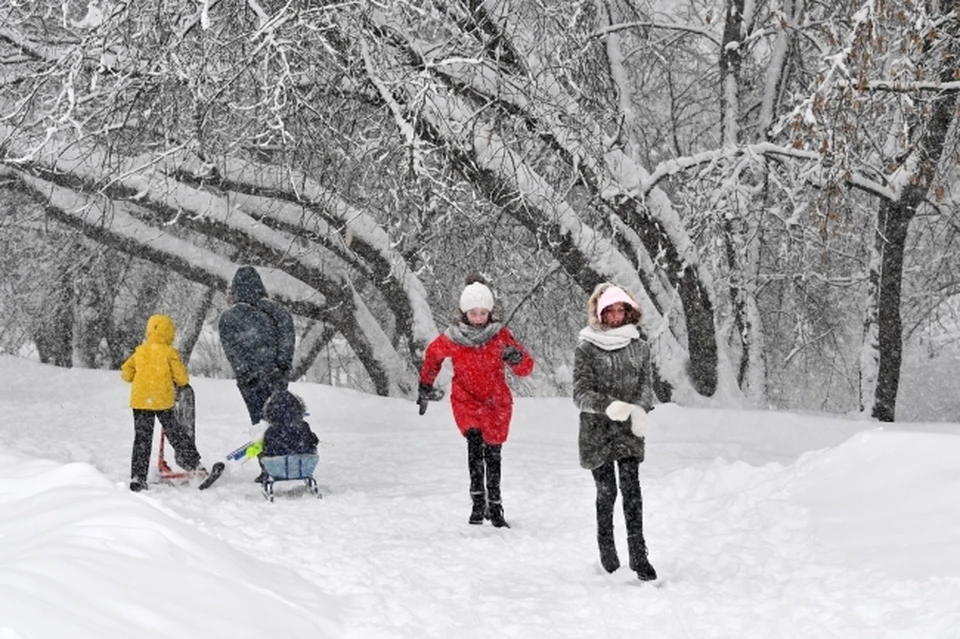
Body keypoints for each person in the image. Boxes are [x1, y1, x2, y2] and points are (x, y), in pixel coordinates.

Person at [418, 274, 534, 528]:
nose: (479, 318)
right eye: (473, 313)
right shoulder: (453, 337)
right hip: (466, 400)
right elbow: (433, 356)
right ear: (464, 313)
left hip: (495, 403)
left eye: (483, 312)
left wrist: (516, 358)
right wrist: (425, 384)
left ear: (490, 313)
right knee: (474, 447)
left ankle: (496, 504)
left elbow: (525, 367)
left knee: (493, 454)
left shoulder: (500, 336)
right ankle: (477, 502)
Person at [572, 283, 658, 581]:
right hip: (597, 430)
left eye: (622, 309)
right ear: (600, 312)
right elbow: (580, 393)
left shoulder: (640, 347)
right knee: (607, 492)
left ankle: (639, 554)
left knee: (632, 491)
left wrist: (640, 410)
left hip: (629, 430)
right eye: (610, 310)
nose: (617, 316)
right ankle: (607, 548)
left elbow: (646, 387)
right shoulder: (586, 347)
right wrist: (609, 406)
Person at [121, 314, 206, 492]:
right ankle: (194, 465)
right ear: (169, 333)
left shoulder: (140, 351)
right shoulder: (169, 352)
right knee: (175, 433)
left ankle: (138, 476)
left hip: (141, 401)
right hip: (162, 401)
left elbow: (126, 374)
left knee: (142, 439)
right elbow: (182, 379)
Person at [219, 266, 296, 426]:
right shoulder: (276, 310)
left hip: (250, 380)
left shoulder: (228, 317)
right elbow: (287, 336)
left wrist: (245, 372)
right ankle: (281, 445)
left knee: (259, 420)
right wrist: (282, 366)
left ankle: (264, 443)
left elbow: (232, 350)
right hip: (275, 375)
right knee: (279, 418)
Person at [261, 390, 319, 458]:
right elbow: (313, 441)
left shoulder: (271, 431)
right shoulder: (303, 426)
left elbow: (266, 449)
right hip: (302, 464)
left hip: (277, 465)